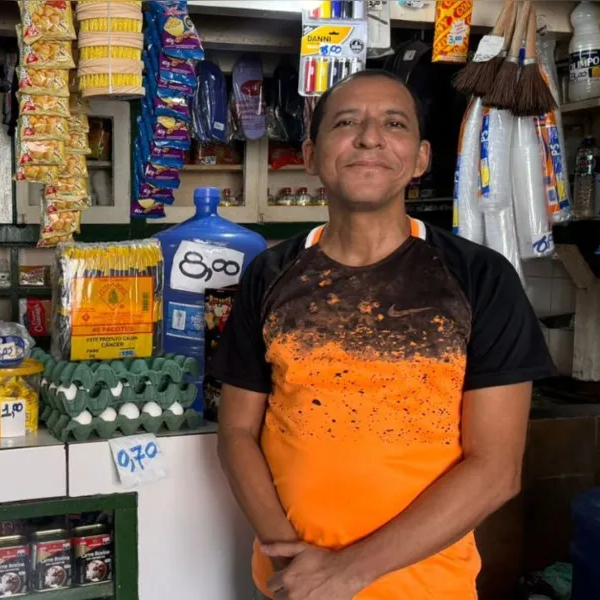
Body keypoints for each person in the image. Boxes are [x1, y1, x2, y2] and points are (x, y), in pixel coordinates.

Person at [211, 70, 556, 600]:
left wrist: (346, 573)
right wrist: (296, 566)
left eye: (393, 124)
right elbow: (236, 433)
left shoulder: (479, 277)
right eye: (347, 122)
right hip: (291, 584)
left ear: (419, 159)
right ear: (310, 154)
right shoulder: (270, 274)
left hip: (426, 589)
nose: (369, 137)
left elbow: (495, 469)